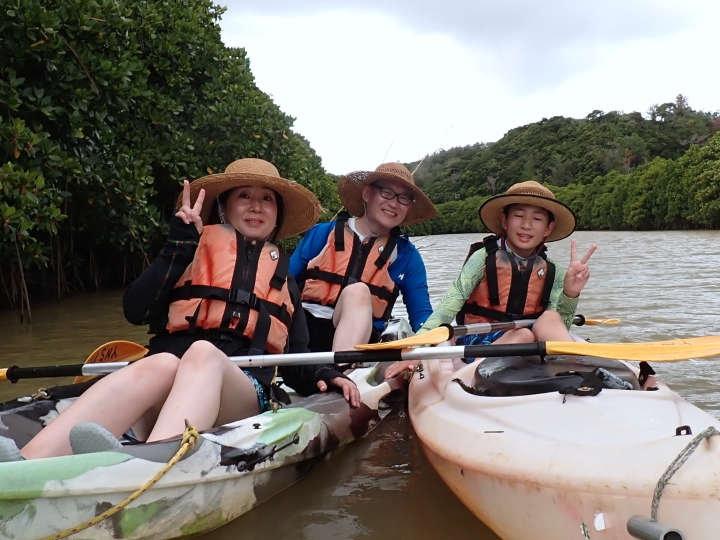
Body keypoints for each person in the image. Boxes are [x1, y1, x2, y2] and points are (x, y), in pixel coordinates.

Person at [0, 158, 357, 462]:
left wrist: (326, 374)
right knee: (161, 363)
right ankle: (28, 462)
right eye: (244, 196)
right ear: (223, 207)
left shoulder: (285, 280)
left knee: (203, 354)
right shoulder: (187, 251)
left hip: (241, 393)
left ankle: (150, 466)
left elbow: (297, 358)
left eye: (267, 199)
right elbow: (136, 310)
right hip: (170, 382)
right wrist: (177, 248)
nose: (256, 206)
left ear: (276, 216)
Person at [385, 180, 596, 378]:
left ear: (548, 228)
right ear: (505, 220)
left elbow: (560, 326)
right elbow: (448, 306)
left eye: (537, 219)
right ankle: (475, 373)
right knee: (523, 335)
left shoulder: (554, 270)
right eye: (519, 215)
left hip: (529, 341)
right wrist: (417, 347)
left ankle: (577, 369)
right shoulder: (482, 258)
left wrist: (571, 293)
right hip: (479, 341)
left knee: (549, 317)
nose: (526, 225)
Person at [289, 162, 436, 352]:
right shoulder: (322, 234)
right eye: (387, 192)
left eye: (404, 198)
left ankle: (341, 369)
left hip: (363, 344)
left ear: (408, 207)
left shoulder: (406, 255)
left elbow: (422, 317)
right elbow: (282, 286)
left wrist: (436, 338)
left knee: (357, 293)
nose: (394, 203)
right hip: (304, 337)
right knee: (357, 292)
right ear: (367, 194)